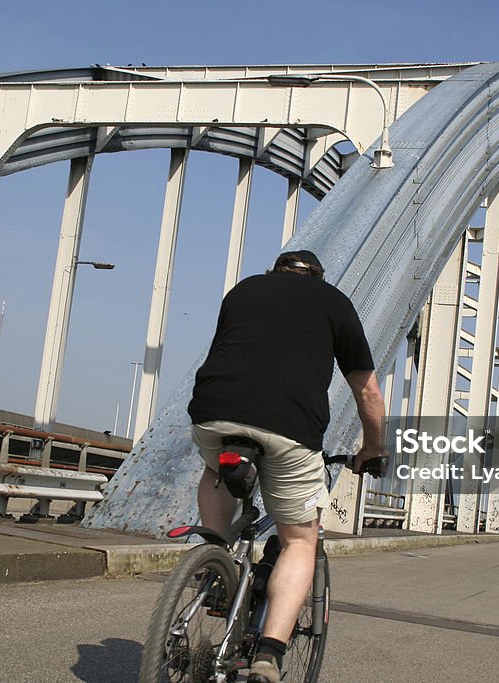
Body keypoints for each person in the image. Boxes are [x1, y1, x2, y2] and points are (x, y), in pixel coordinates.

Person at [188, 250, 387, 683]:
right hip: (289, 428)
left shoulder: (244, 291)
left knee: (215, 471)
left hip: (213, 412)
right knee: (299, 540)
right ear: (317, 277)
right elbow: (368, 393)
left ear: (274, 271)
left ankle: (215, 559)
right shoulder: (333, 301)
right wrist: (373, 449)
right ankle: (269, 657)